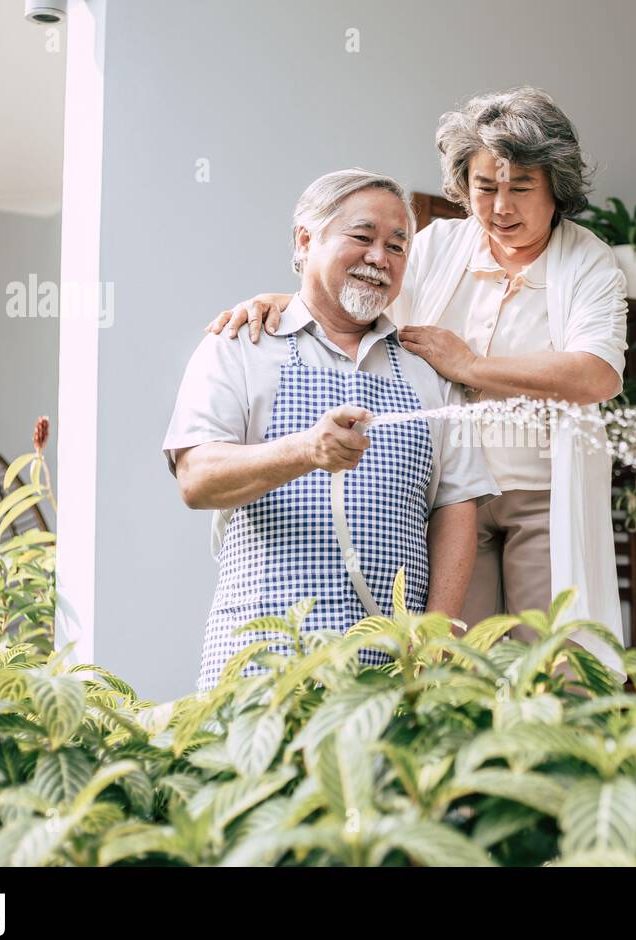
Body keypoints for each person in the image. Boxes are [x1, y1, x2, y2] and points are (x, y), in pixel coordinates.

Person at [208, 87, 629, 678]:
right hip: (451, 496)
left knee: (554, 666)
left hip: (541, 495)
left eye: (520, 188)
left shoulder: (588, 262)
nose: (500, 206)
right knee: (457, 665)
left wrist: (472, 367)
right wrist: (288, 299)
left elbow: (597, 374)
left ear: (555, 186)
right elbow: (363, 299)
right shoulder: (437, 245)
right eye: (485, 187)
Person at [164, 169, 497, 691]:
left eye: (396, 246)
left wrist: (435, 636)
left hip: (392, 671)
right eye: (362, 237)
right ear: (305, 239)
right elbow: (196, 478)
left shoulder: (426, 368)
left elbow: (457, 507)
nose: (379, 258)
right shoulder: (237, 346)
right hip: (263, 662)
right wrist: (306, 450)